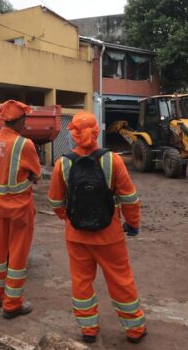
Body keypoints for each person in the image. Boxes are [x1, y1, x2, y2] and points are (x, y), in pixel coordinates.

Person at [47, 112, 147, 344]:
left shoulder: (63, 163)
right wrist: (132, 224)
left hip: (76, 236)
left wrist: (69, 219)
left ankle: (88, 330)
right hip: (109, 235)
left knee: (81, 281)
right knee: (121, 280)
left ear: (72, 135)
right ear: (96, 133)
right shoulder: (113, 160)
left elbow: (54, 201)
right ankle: (134, 330)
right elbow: (129, 198)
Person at [0, 100, 42, 318]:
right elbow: (36, 174)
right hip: (19, 209)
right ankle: (12, 305)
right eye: (24, 120)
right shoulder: (24, 144)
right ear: (19, 120)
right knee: (17, 257)